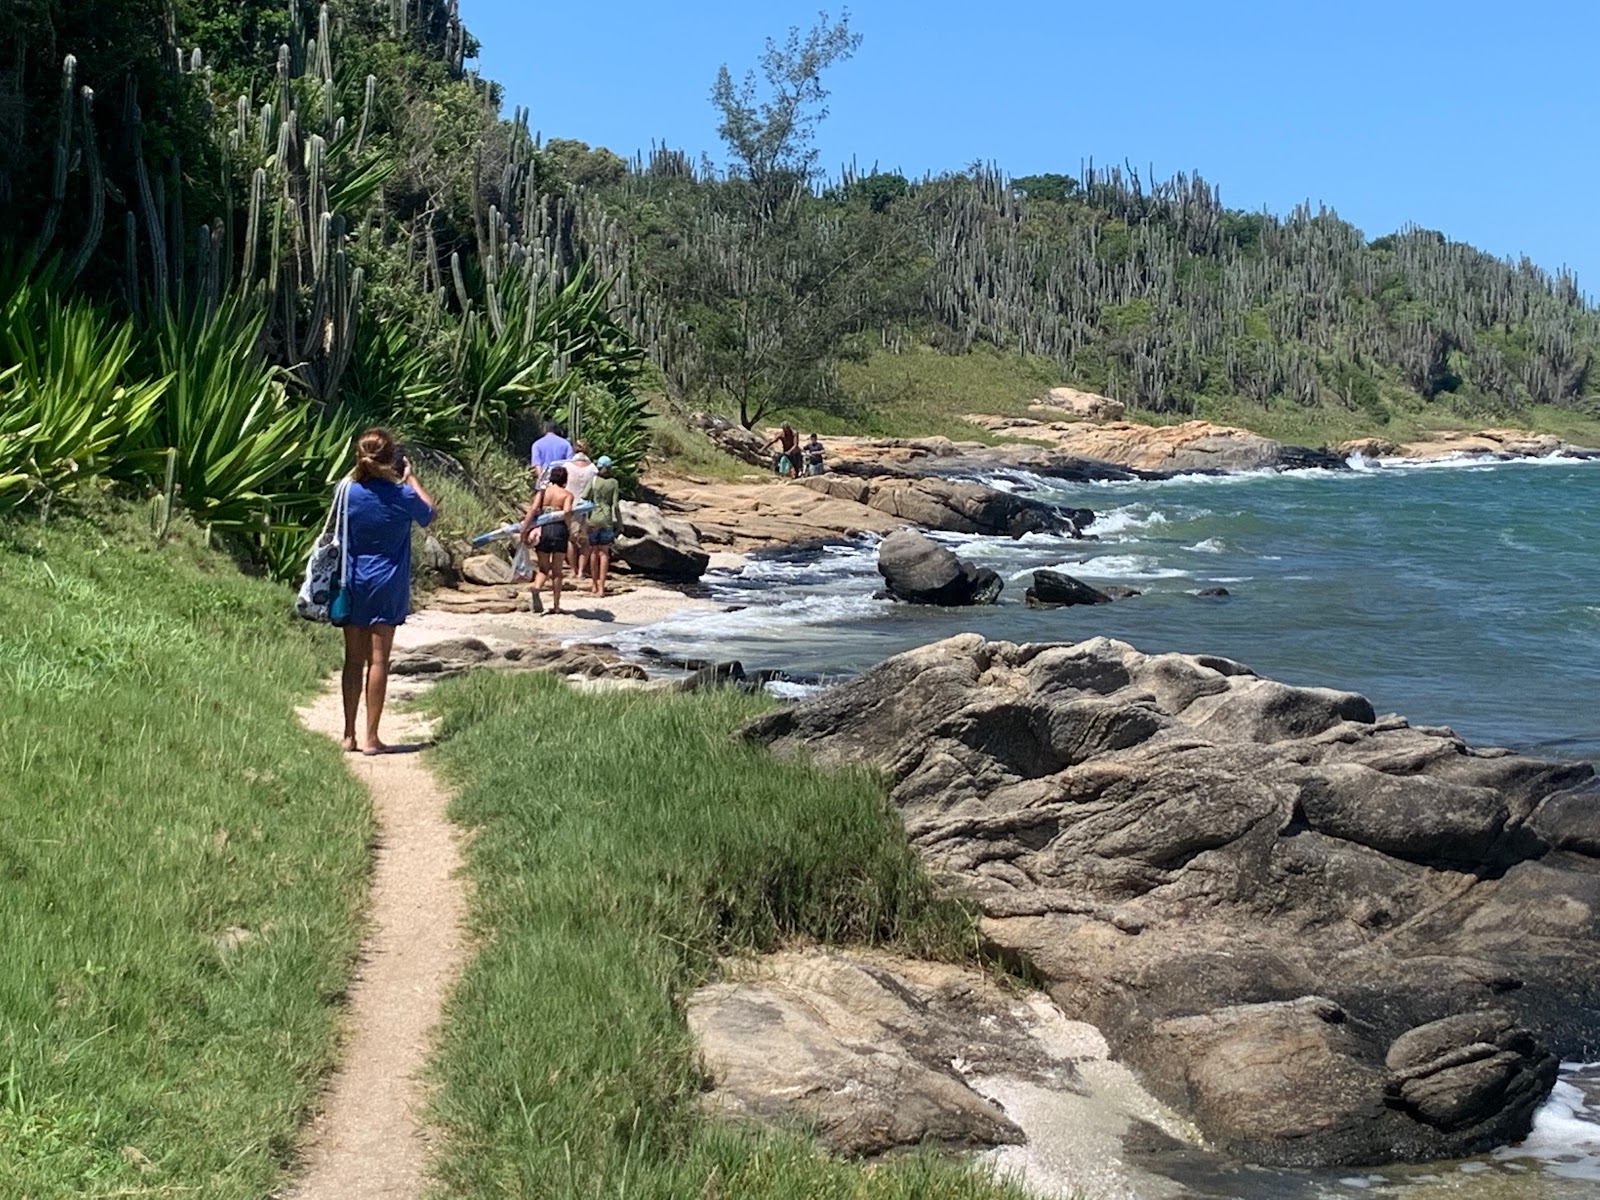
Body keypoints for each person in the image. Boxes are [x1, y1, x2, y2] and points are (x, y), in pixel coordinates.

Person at [339, 428, 436, 755]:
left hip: (352, 580)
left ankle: (348, 733)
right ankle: (371, 738)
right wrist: (411, 479)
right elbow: (430, 513)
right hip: (388, 582)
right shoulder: (403, 496)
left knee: (353, 659)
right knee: (378, 660)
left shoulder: (348, 492)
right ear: (391, 458)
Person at [520, 463, 575, 615]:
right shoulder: (567, 495)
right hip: (559, 530)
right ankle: (556, 606)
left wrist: (524, 529)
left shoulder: (543, 492)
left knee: (543, 569)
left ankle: (536, 588)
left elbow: (533, 509)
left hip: (543, 530)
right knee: (557, 572)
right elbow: (568, 512)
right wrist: (569, 527)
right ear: (565, 480)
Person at [584, 455, 621, 598]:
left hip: (593, 519)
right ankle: (601, 587)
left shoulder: (593, 481)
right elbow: (615, 505)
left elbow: (585, 496)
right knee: (604, 553)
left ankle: (594, 584)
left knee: (593, 552)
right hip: (606, 520)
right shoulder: (613, 483)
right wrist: (619, 523)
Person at [529, 419, 572, 487]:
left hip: (545, 479)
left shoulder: (537, 444)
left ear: (545, 429)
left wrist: (542, 481)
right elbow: (570, 463)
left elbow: (537, 465)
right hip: (560, 481)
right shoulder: (566, 444)